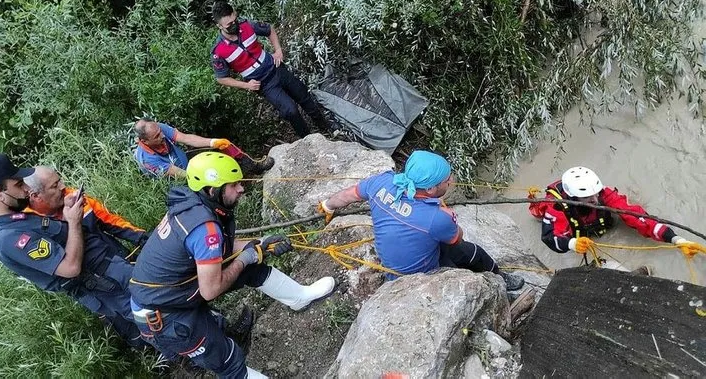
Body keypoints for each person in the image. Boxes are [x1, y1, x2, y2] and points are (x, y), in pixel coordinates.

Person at [128, 152, 336, 378]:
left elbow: (217, 249)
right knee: (229, 363)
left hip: (171, 293)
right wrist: (245, 258)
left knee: (250, 268)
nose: (241, 189)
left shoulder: (193, 203)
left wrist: (261, 245)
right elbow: (210, 289)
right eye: (233, 185)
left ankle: (299, 297)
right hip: (165, 316)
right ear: (212, 190)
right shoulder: (204, 228)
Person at [0, 153, 149, 349]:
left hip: (110, 271)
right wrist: (73, 222)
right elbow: (70, 267)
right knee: (157, 318)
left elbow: (59, 238)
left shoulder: (18, 219)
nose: (26, 190)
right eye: (19, 185)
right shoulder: (8, 238)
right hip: (102, 282)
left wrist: (64, 215)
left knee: (158, 307)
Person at [316, 150, 525, 291]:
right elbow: (457, 238)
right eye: (447, 179)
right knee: (471, 254)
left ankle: (495, 279)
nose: (452, 181)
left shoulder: (381, 182)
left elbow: (349, 195)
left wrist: (327, 205)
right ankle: (498, 283)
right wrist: (448, 217)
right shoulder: (435, 219)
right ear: (432, 189)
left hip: (393, 269)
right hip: (421, 276)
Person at [528, 166, 698, 271]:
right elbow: (550, 238)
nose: (595, 200)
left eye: (596, 194)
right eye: (588, 198)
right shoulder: (557, 206)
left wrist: (675, 239)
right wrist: (572, 244)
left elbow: (639, 218)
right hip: (575, 236)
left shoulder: (603, 195)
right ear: (574, 198)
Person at [210, 1, 329, 138]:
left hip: (276, 68)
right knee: (290, 110)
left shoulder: (247, 25)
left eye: (234, 20)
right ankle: (308, 139)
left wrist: (278, 50)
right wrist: (246, 85)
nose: (234, 25)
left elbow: (269, 29)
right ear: (219, 26)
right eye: (229, 25)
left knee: (303, 94)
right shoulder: (218, 51)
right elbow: (221, 78)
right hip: (264, 84)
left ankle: (325, 127)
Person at [24, 166, 148, 259]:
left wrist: (142, 238)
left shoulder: (72, 197)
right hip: (96, 281)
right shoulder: (30, 226)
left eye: (59, 181)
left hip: (119, 257)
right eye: (55, 185)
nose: (63, 186)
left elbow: (110, 221)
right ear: (36, 196)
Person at [133, 119, 274, 178]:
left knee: (224, 146)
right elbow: (177, 173)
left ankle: (254, 166)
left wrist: (213, 142)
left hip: (186, 161)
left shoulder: (156, 128)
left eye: (160, 132)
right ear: (144, 140)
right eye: (157, 136)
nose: (163, 135)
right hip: (180, 179)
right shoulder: (147, 160)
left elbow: (186, 138)